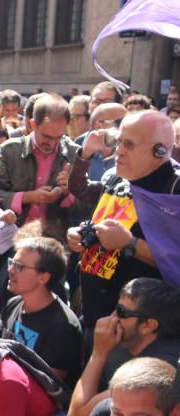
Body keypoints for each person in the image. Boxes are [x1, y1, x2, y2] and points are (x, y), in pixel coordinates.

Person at [62, 278, 180, 416]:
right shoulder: (126, 347)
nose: (112, 319)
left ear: (149, 325)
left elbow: (76, 413)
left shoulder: (164, 363)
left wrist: (98, 353)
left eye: (122, 312)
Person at [67, 110, 178, 337]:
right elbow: (90, 202)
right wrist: (79, 234)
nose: (119, 151)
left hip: (140, 333)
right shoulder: (118, 176)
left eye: (129, 144)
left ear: (159, 151)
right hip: (93, 314)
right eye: (119, 142)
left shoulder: (175, 188)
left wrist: (131, 244)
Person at [0, 94, 80, 240]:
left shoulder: (75, 154)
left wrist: (71, 191)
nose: (53, 143)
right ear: (32, 125)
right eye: (47, 137)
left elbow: (89, 208)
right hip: (12, 240)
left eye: (59, 137)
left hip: (55, 245)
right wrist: (28, 197)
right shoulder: (9, 151)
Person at [3, 234, 82, 384]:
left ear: (43, 277)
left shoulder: (63, 326)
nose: (10, 269)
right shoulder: (13, 304)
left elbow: (51, 386)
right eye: (11, 262)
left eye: (19, 266)